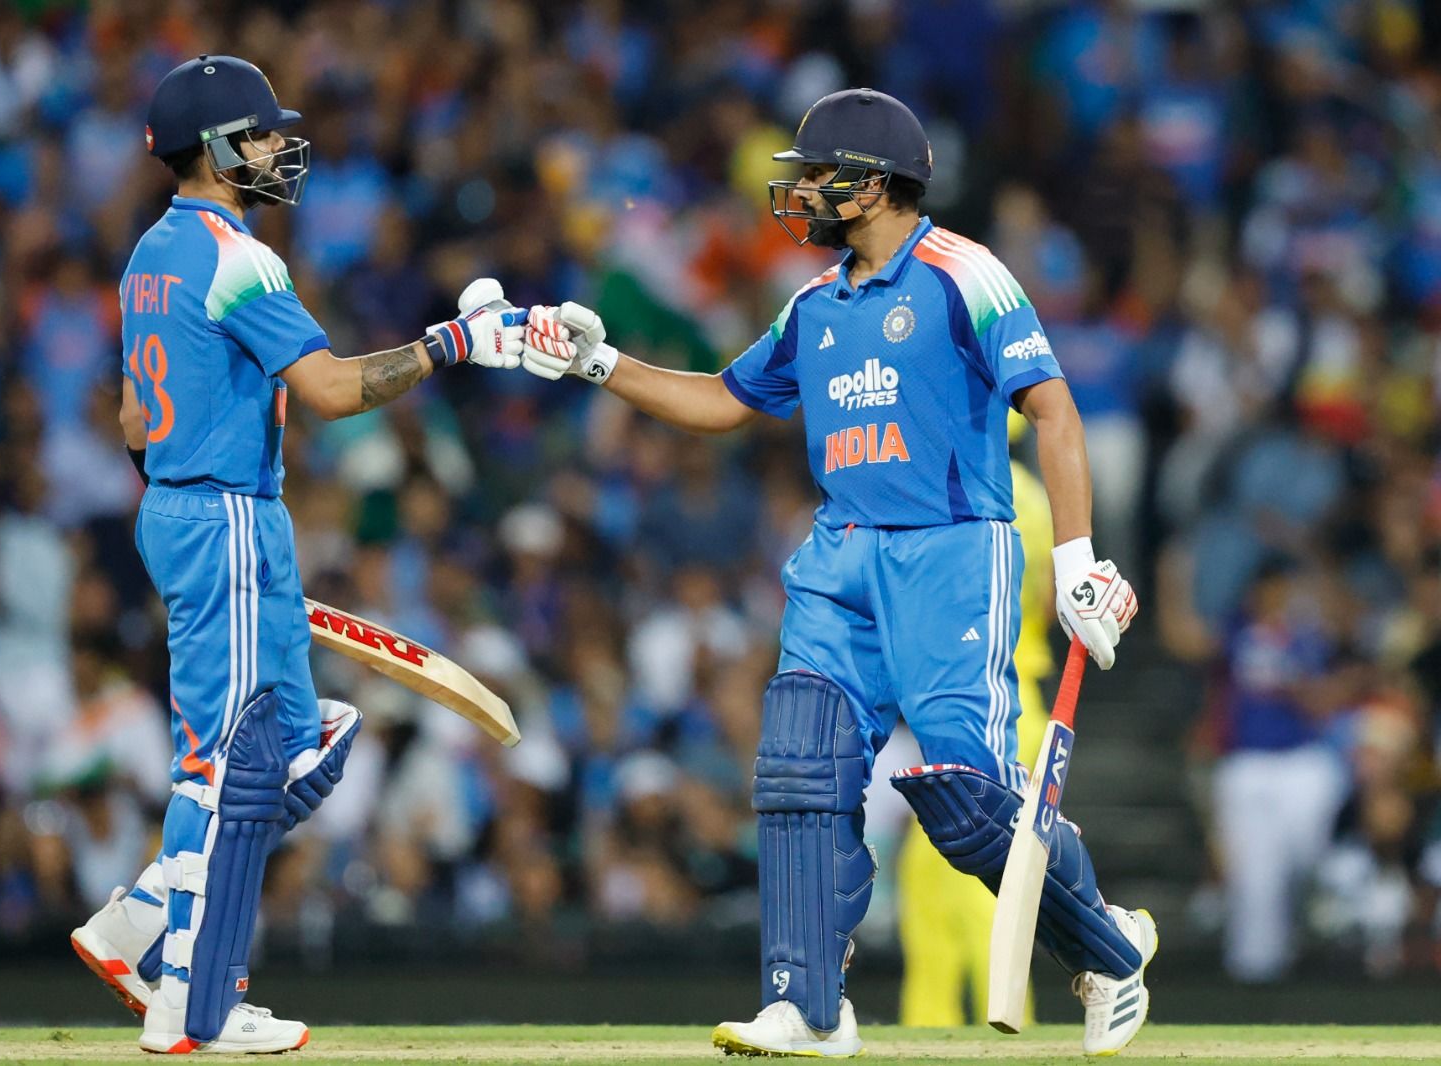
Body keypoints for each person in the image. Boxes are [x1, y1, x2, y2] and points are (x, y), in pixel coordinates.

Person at [520, 88, 1150, 1057]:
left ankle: (1107, 948)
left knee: (970, 806)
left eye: (818, 174)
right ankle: (805, 1004)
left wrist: (1074, 561)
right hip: (840, 552)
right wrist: (601, 366)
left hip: (949, 550)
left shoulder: (962, 273)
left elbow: (1054, 411)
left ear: (872, 183)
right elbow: (726, 401)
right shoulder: (815, 303)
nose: (802, 190)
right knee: (799, 764)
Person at [66, 55, 527, 1055]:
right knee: (231, 759)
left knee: (301, 742)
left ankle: (137, 924)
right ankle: (190, 1000)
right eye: (265, 133)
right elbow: (327, 391)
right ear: (224, 147)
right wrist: (455, 342)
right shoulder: (241, 257)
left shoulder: (151, 251)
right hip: (223, 513)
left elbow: (133, 420)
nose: (281, 148)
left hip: (201, 507)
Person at [896, 413, 1052, 1026]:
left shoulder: (973, 491)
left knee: (978, 887)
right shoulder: (1032, 496)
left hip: (991, 708)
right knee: (930, 882)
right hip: (1000, 700)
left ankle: (1007, 1032)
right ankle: (929, 1028)